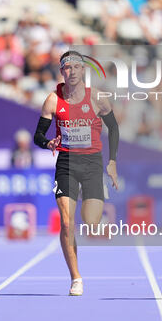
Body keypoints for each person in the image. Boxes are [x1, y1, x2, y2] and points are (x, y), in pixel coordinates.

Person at [34, 51, 119, 295]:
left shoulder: (98, 98)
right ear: (62, 72)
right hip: (66, 164)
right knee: (67, 222)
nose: (71, 72)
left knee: (91, 222)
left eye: (76, 67)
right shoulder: (53, 100)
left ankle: (90, 195)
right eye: (67, 68)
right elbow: (37, 135)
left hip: (92, 163)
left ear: (83, 71)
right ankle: (76, 278)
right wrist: (48, 143)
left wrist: (112, 162)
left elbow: (113, 129)